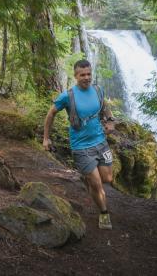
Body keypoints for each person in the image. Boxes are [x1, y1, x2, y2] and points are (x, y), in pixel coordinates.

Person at [43, 59, 115, 230]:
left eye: (89, 74)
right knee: (97, 185)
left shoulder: (98, 90)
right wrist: (46, 138)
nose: (86, 77)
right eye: (82, 75)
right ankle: (104, 214)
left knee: (107, 179)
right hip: (81, 147)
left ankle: (88, 179)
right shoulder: (68, 96)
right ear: (75, 76)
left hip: (101, 142)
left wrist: (110, 121)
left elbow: (105, 107)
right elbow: (51, 114)